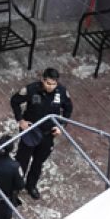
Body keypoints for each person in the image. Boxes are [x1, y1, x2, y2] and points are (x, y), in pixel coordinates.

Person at [9, 67, 72, 200]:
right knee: (22, 161)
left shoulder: (61, 92)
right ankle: (15, 188)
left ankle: (31, 185)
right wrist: (21, 120)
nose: (51, 87)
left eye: (54, 84)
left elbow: (68, 109)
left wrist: (61, 126)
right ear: (42, 80)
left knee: (38, 162)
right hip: (31, 132)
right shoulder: (31, 89)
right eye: (48, 83)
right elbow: (15, 101)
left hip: (48, 134)